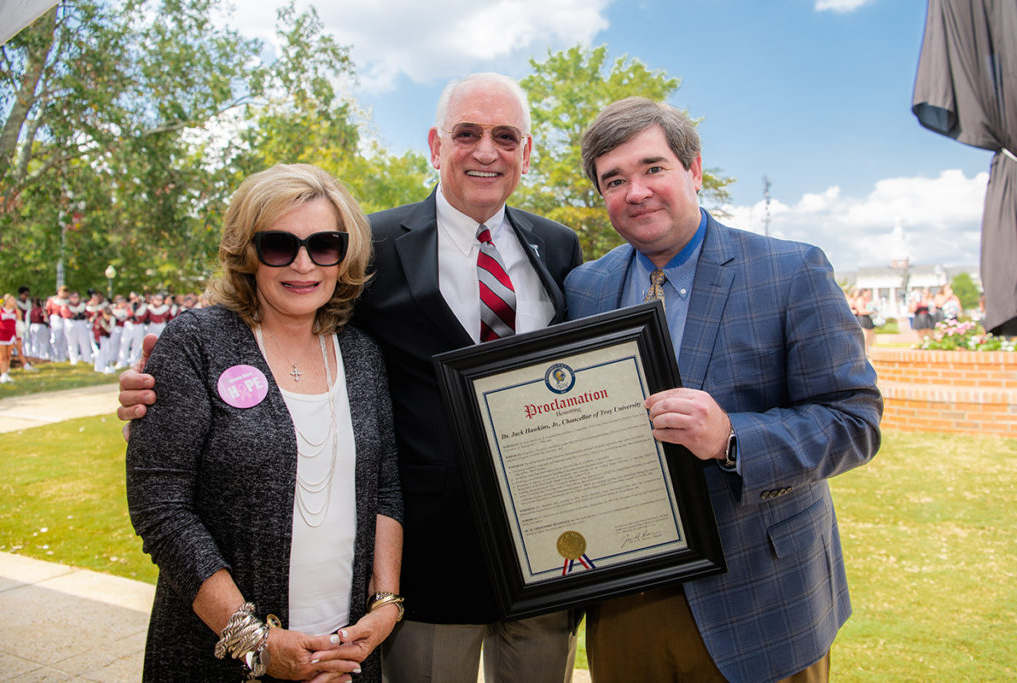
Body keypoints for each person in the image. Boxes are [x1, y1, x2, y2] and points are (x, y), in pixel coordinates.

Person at [119, 73, 584, 683]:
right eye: (466, 133)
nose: (485, 151)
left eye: (505, 136)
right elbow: (268, 323)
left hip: (540, 543)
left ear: (527, 152)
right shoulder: (373, 244)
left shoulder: (559, 246)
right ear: (435, 145)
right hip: (429, 556)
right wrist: (153, 399)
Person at [565, 97, 882, 683]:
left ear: (694, 169)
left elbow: (855, 422)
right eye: (614, 179)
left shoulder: (791, 271)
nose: (636, 192)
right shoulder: (586, 287)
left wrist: (734, 437)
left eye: (653, 168)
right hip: (628, 599)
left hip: (763, 603)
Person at [125, 164, 404, 681]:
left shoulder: (362, 355)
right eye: (279, 245)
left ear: (345, 256)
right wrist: (257, 641)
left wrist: (385, 604)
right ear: (247, 253)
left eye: (325, 245)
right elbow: (160, 509)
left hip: (346, 653)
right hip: (219, 654)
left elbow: (385, 487)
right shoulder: (195, 344)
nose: (303, 263)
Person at [0, 293, 34, 382]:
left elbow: (19, 324)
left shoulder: (17, 311)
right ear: (6, 301)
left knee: (8, 356)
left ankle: (6, 372)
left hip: (11, 335)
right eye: (12, 300)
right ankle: (3, 375)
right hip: (1, 336)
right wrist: (0, 329)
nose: (14, 301)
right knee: (2, 356)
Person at [850, 288, 876, 353]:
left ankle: (867, 353)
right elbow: (860, 310)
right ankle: (863, 354)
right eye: (868, 292)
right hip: (862, 319)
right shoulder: (859, 300)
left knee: (869, 339)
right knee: (865, 338)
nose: (869, 294)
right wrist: (871, 311)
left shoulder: (866, 300)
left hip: (867, 319)